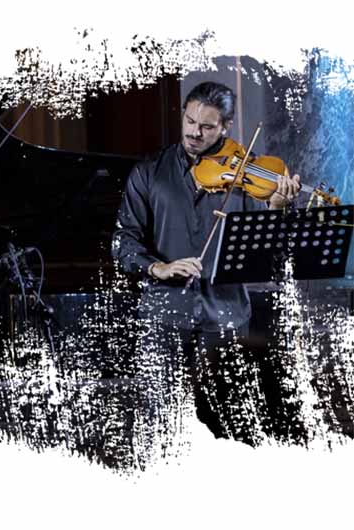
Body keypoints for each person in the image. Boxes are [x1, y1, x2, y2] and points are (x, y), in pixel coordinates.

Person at [111, 81, 301, 440]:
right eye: (190, 121)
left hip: (226, 317)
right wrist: (158, 267)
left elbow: (271, 256)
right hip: (163, 316)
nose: (194, 132)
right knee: (161, 424)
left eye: (207, 126)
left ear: (225, 127)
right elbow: (123, 241)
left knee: (227, 426)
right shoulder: (149, 172)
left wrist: (276, 209)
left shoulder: (248, 178)